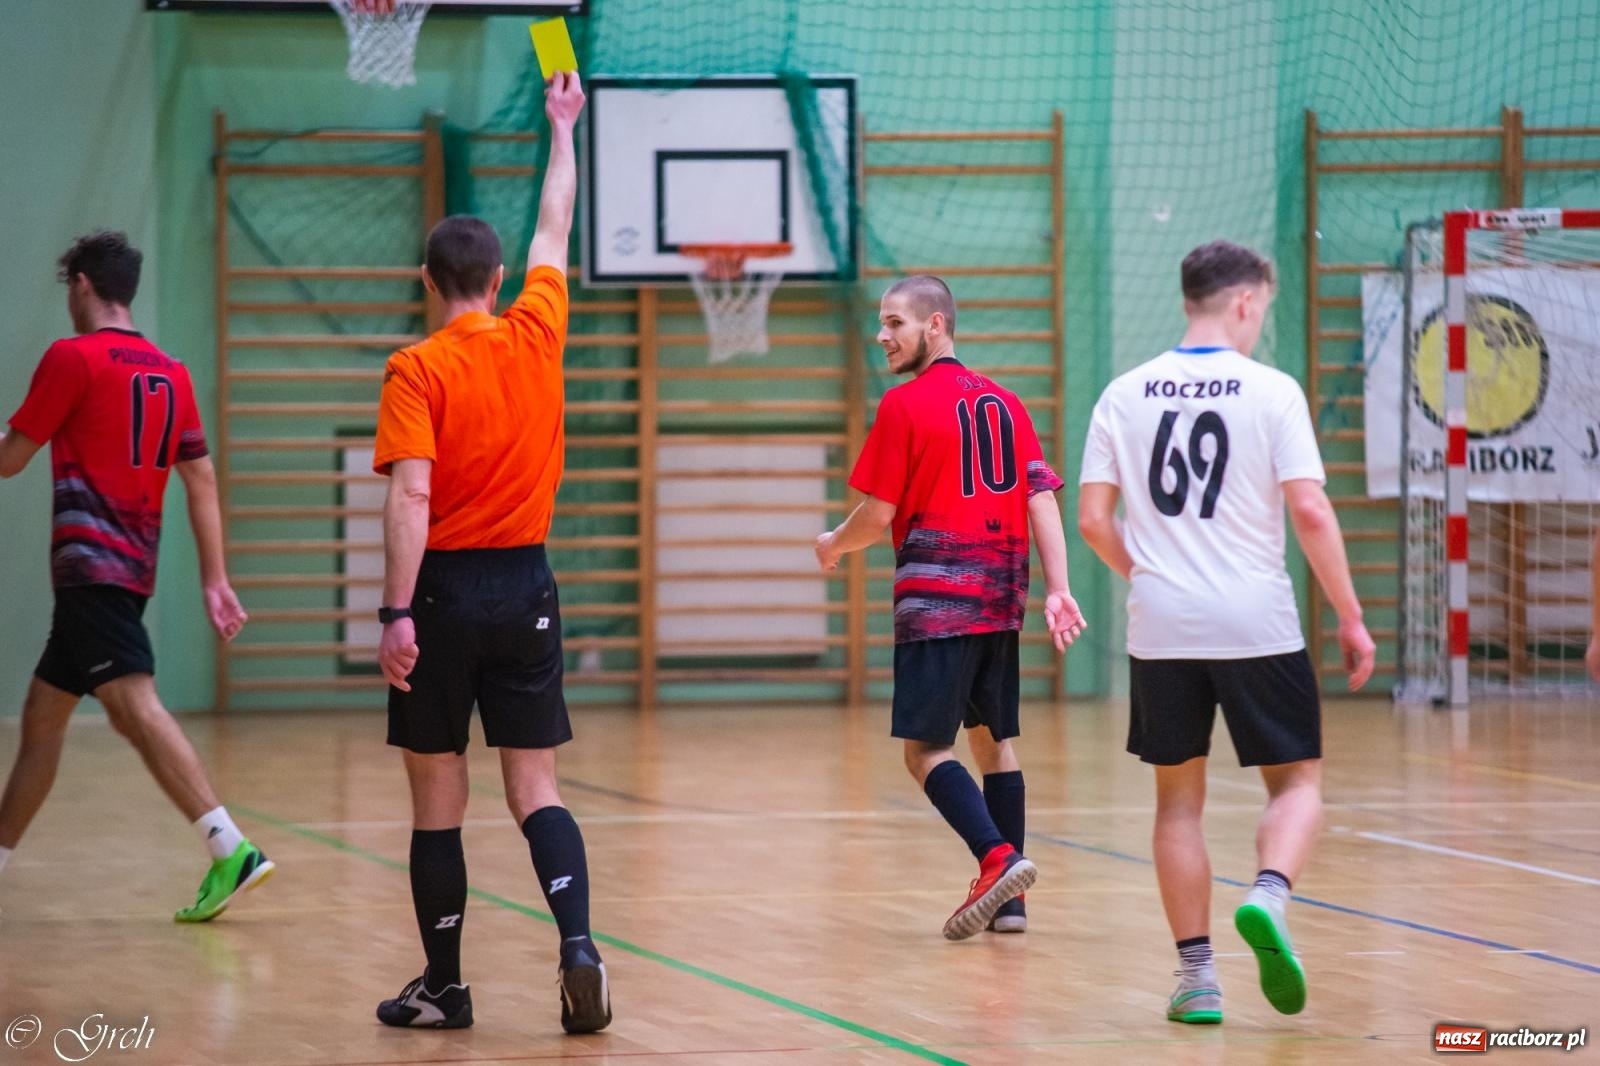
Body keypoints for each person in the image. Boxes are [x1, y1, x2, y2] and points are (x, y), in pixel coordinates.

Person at [1076, 240, 1376, 1024]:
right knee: (1298, 782)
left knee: (1178, 803)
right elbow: (1310, 510)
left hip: (1163, 627)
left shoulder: (1123, 392)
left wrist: (1146, 575)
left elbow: (1092, 521)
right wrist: (1349, 614)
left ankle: (1197, 978)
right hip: (1257, 621)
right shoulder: (1271, 392)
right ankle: (1270, 896)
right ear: (1245, 302)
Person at [370, 72, 608, 1036]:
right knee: (535, 787)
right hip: (528, 584)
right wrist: (563, 128)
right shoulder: (536, 333)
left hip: (443, 591)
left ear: (429, 282)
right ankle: (580, 947)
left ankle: (445, 985)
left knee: (439, 793)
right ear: (500, 278)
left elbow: (411, 494)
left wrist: (394, 612)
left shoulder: (416, 367)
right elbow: (556, 224)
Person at [0, 231, 270, 922]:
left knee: (132, 705)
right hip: (129, 571)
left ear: (83, 285)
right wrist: (215, 577)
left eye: (69, 288)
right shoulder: (170, 371)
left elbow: (11, 458)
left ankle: (229, 845)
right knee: (43, 719)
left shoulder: (73, 358)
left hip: (92, 569)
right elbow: (201, 476)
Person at [816, 274, 1086, 941]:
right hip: (1001, 596)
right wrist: (1059, 587)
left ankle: (998, 859)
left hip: (938, 600)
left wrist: (833, 542)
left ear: (935, 326)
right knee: (994, 743)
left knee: (925, 751)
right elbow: (1042, 498)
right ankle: (1012, 904)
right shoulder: (1007, 401)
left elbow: (878, 514)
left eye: (895, 323)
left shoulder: (906, 406)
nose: (883, 336)